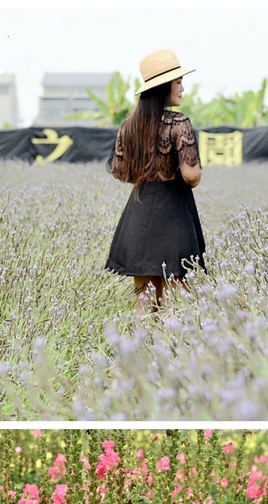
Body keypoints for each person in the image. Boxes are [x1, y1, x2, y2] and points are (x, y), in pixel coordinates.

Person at [105, 49, 206, 316]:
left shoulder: (130, 126)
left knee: (145, 299)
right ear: (164, 87)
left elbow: (119, 171)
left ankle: (139, 355)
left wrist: (147, 172)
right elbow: (191, 175)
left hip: (139, 216)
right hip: (174, 216)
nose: (182, 88)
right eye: (178, 82)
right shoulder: (179, 123)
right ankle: (178, 356)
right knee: (180, 297)